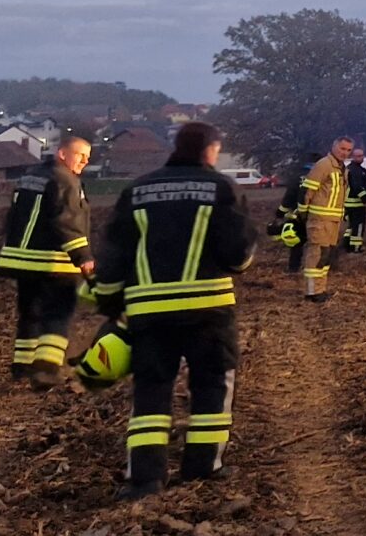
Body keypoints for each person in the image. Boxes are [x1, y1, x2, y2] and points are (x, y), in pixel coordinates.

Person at [93, 121, 254, 499]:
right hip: (208, 310)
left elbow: (114, 253)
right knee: (213, 387)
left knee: (150, 392)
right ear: (210, 150)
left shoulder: (137, 190)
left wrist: (112, 303)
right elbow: (238, 257)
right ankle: (203, 469)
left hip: (150, 313)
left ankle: (145, 481)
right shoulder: (221, 188)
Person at [0, 132, 96, 388]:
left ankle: (21, 367)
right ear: (62, 154)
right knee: (58, 313)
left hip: (21, 261)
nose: (84, 162)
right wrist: (82, 257)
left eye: (87, 158)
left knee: (30, 312)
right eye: (81, 156)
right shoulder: (65, 180)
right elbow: (67, 221)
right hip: (53, 262)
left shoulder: (30, 176)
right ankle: (46, 369)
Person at [295, 137, 354, 302]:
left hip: (333, 219)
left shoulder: (342, 168)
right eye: (342, 148)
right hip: (319, 219)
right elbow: (307, 190)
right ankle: (312, 292)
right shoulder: (324, 165)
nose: (345, 153)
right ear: (334, 146)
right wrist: (302, 214)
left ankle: (320, 289)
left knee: (326, 256)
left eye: (348, 150)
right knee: (316, 254)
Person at [276, 153, 318, 274]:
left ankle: (294, 268)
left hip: (297, 215)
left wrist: (280, 213)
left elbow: (288, 197)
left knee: (297, 243)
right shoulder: (321, 176)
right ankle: (316, 267)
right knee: (317, 243)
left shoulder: (296, 177)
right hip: (317, 214)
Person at [341, 149, 366, 254]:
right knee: (359, 225)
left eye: (362, 155)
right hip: (356, 203)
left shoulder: (352, 168)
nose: (361, 158)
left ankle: (346, 244)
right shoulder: (355, 170)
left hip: (349, 203)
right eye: (358, 156)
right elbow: (357, 186)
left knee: (352, 225)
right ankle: (356, 247)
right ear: (353, 157)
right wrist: (365, 199)